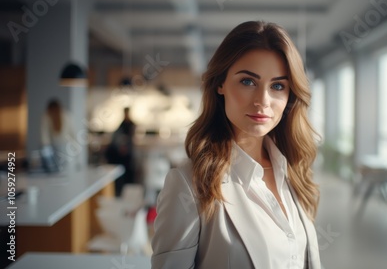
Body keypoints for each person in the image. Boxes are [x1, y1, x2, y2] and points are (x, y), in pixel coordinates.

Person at [151, 21, 321, 269]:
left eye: (277, 86)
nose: (262, 101)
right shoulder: (188, 184)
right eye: (248, 82)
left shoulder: (294, 169)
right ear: (221, 84)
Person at [105, 107, 136, 196]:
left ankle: (126, 191)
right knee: (123, 173)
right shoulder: (123, 124)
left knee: (128, 173)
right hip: (122, 154)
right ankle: (121, 191)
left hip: (127, 153)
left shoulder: (131, 124)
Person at [40, 98, 77, 170]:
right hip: (54, 147)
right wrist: (46, 147)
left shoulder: (66, 115)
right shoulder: (47, 116)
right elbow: (44, 136)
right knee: (56, 169)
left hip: (65, 147)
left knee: (64, 169)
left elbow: (73, 133)